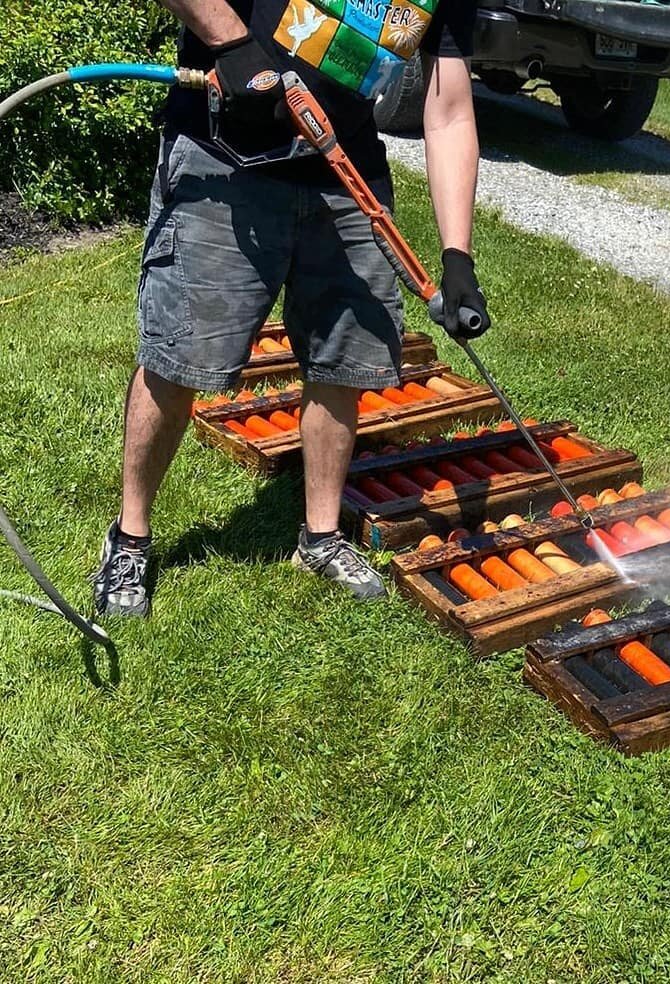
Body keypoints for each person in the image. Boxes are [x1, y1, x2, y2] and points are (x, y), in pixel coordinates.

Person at [91, 0, 490, 616]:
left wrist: (457, 255)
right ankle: (131, 537)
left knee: (346, 360)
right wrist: (230, 43)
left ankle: (321, 537)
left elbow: (449, 109)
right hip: (224, 163)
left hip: (345, 168)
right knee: (179, 356)